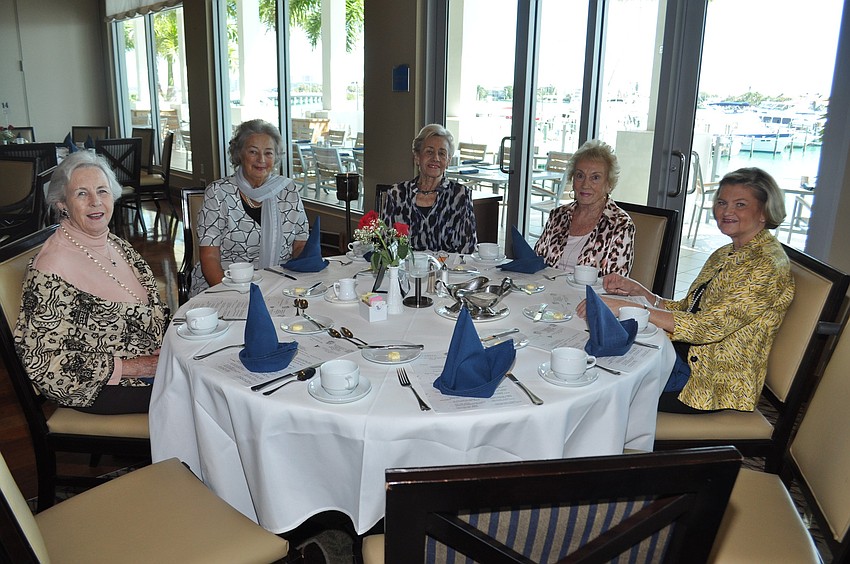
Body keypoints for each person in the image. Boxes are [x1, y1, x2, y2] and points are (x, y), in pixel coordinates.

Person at [580, 167, 795, 413]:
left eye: (741, 204)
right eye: (722, 202)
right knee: (600, 360)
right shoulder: (726, 253)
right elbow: (689, 310)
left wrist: (631, 308)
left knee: (601, 389)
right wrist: (640, 292)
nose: (727, 211)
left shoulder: (766, 264)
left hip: (712, 383)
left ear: (764, 212)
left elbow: (707, 327)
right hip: (690, 358)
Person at [14, 151, 169, 414]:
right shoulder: (51, 269)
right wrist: (135, 366)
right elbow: (42, 362)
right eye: (82, 194)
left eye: (102, 191)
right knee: (202, 397)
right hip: (97, 385)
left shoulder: (114, 244)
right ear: (63, 204)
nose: (96, 202)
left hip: (150, 363)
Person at [191, 119, 308, 295]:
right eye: (253, 152)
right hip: (225, 284)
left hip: (278, 283)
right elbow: (210, 256)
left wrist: (301, 272)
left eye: (268, 153)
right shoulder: (219, 193)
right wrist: (229, 294)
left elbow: (300, 243)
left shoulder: (288, 190)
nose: (261, 160)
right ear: (239, 154)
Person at [533, 139, 635, 276]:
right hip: (547, 292)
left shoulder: (620, 224)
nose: (585, 184)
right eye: (580, 176)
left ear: (609, 184)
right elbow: (535, 262)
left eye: (595, 177)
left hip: (589, 296)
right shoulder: (558, 215)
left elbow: (614, 284)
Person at [381, 123, 477, 253]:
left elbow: (468, 248)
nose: (435, 158)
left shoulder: (460, 195)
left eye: (442, 153)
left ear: (448, 161)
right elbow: (385, 245)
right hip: (406, 271)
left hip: (447, 271)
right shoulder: (397, 194)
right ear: (417, 157)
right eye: (429, 152)